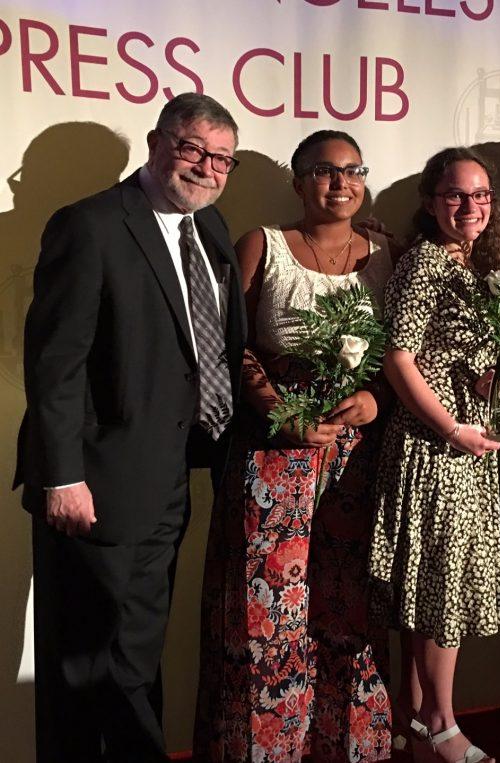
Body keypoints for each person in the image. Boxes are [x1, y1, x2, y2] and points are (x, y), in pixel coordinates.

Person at [13, 92, 246, 762]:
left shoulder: (212, 228)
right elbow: (55, 364)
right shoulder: (90, 225)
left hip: (167, 477)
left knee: (135, 652)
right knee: (82, 662)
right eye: (192, 147)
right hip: (93, 482)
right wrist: (62, 477)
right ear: (155, 141)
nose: (206, 167)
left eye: (221, 158)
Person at [193, 130, 393, 762]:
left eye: (353, 170)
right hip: (272, 460)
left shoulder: (389, 252)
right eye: (325, 172)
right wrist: (278, 410)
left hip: (354, 461)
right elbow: (232, 345)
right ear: (299, 180)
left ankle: (347, 744)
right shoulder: (264, 244)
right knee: (268, 613)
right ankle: (267, 749)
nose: (342, 183)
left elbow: (407, 356)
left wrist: (374, 402)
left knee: (346, 606)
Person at [368, 147, 500, 763]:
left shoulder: (478, 268)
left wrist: (494, 381)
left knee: (435, 586)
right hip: (436, 450)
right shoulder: (425, 263)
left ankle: (418, 725)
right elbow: (399, 359)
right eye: (456, 194)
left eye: (480, 195)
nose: (470, 206)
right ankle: (443, 721)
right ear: (431, 202)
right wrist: (453, 429)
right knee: (441, 590)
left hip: (468, 446)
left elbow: (449, 355)